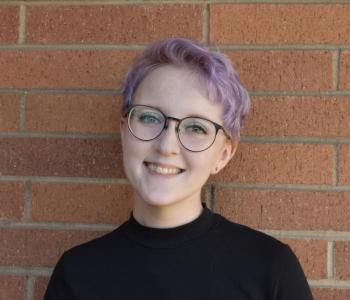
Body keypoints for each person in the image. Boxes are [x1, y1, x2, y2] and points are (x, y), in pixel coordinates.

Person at [44, 37, 313, 300]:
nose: (167, 145)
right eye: (149, 117)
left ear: (223, 154)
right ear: (124, 131)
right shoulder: (77, 275)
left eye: (196, 127)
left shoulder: (270, 270)